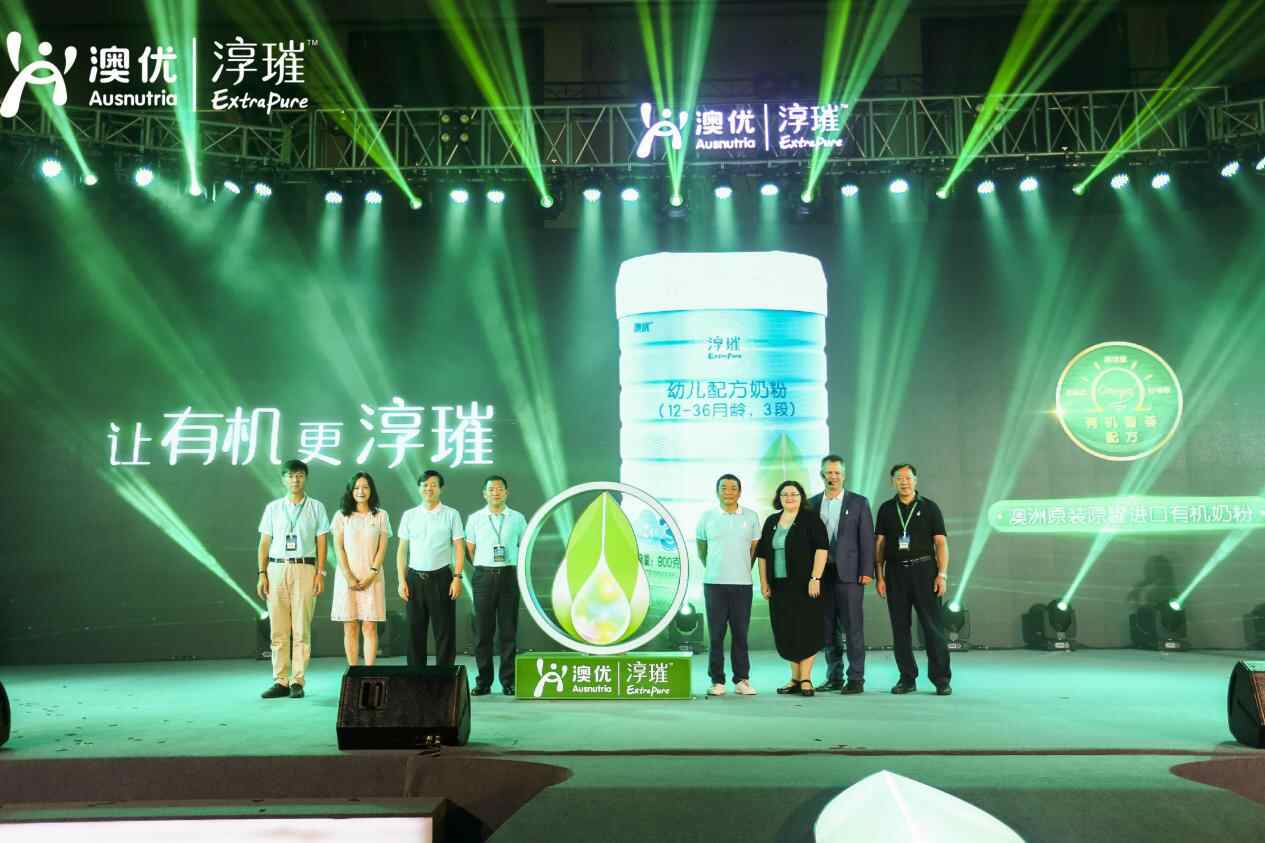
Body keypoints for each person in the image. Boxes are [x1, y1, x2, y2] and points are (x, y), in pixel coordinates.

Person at [875, 464, 952, 696]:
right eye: (899, 478)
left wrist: (942, 574)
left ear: (915, 480)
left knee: (933, 628)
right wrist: (880, 576)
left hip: (925, 571)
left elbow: (941, 543)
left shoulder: (929, 507)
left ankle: (941, 679)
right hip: (895, 573)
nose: (904, 482)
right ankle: (907, 678)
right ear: (892, 482)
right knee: (900, 628)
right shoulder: (886, 509)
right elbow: (880, 544)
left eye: (908, 478)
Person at [256, 459, 330, 699]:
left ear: (305, 478)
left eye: (299, 475)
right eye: (290, 475)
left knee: (301, 628)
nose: (295, 480)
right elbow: (264, 543)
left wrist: (320, 573)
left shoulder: (316, 507)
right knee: (278, 629)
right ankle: (280, 680)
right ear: (283, 479)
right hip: (276, 568)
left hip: (305, 568)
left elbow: (322, 541)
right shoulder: (273, 508)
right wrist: (262, 573)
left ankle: (297, 680)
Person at [807, 455, 875, 694]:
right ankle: (834, 676)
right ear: (822, 475)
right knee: (827, 629)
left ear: (844, 476)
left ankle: (856, 678)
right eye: (829, 472)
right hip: (821, 575)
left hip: (851, 575)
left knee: (852, 627)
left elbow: (867, 539)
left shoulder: (859, 502)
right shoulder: (811, 504)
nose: (833, 477)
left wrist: (867, 570)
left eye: (837, 473)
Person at [755, 480, 829, 696]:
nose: (789, 497)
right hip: (779, 586)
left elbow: (822, 549)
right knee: (786, 629)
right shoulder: (771, 521)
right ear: (779, 498)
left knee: (806, 629)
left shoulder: (810, 519)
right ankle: (794, 678)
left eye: (794, 494)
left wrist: (815, 577)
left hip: (805, 585)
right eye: (785, 494)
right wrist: (764, 582)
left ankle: (806, 678)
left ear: (801, 497)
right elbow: (762, 555)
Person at [697, 474, 761, 697]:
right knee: (716, 635)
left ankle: (742, 680)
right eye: (724, 488)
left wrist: (741, 567)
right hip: (714, 584)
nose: (728, 492)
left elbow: (754, 549)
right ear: (717, 492)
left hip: (742, 585)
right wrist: (716, 567)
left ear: (740, 492)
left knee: (740, 634)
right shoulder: (707, 517)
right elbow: (702, 550)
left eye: (733, 488)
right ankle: (717, 680)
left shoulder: (751, 516)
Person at [464, 475, 527, 696]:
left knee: (508, 631)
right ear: (484, 494)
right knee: (483, 632)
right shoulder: (475, 519)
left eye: (500, 489)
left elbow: (524, 545)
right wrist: (485, 566)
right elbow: (469, 549)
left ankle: (508, 681)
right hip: (484, 577)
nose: (495, 493)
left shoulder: (517, 518)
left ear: (506, 492)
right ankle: (484, 682)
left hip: (509, 575)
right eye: (491, 489)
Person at [397, 470, 465, 667]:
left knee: (444, 632)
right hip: (414, 579)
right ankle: (416, 677)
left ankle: (445, 677)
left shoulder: (451, 514)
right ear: (419, 488)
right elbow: (402, 550)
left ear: (440, 489)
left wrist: (457, 577)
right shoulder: (409, 515)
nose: (429, 488)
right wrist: (401, 580)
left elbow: (459, 548)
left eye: (433, 485)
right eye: (425, 485)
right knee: (414, 632)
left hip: (442, 578)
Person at [330, 472, 390, 667]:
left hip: (373, 577)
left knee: (370, 626)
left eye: (365, 487)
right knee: (350, 626)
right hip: (347, 577)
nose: (361, 491)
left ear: (371, 490)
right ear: (350, 491)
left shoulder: (380, 515)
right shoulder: (341, 516)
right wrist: (348, 576)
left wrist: (372, 573)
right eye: (356, 488)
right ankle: (354, 672)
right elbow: (338, 548)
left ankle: (369, 671)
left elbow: (382, 547)